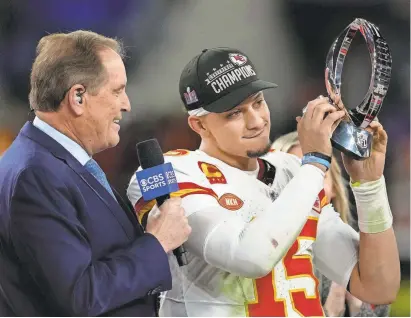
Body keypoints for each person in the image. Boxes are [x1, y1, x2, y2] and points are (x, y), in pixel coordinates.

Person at [127, 47, 400, 317]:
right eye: (234, 113)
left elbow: (378, 287)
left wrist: (370, 186)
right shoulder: (170, 171)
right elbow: (251, 258)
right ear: (199, 125)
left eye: (258, 102)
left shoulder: (293, 170)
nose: (256, 121)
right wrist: (315, 161)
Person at [0, 30, 191, 317]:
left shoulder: (55, 160)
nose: (126, 104)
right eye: (117, 91)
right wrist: (157, 243)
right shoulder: (36, 174)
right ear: (78, 97)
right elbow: (81, 296)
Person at [273, 131, 390, 317]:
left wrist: (358, 309)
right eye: (296, 175)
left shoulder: (360, 255)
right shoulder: (262, 258)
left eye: (320, 175)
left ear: (334, 187)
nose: (311, 188)